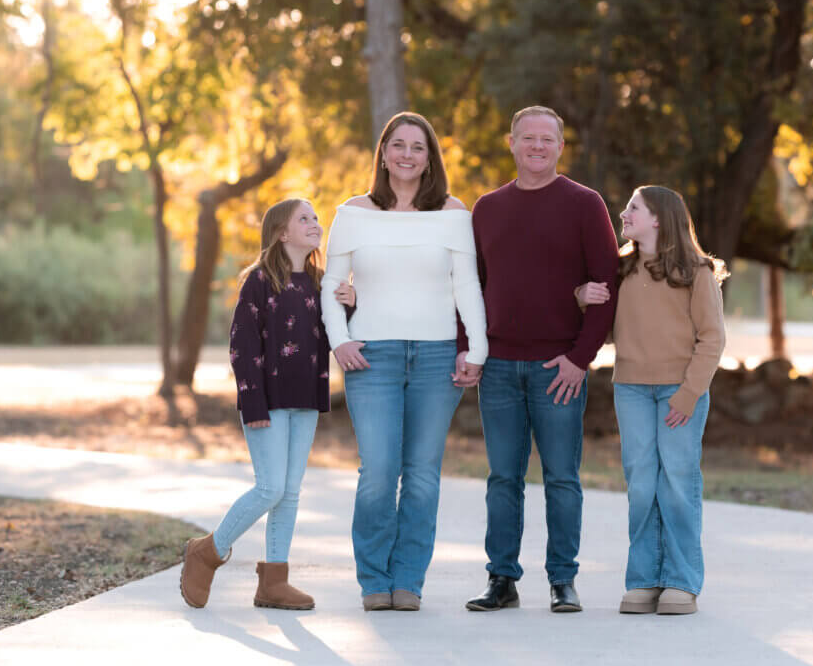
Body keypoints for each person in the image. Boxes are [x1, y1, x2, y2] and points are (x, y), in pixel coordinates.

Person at [320, 112, 488, 612]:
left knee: (421, 474)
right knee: (379, 470)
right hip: (373, 357)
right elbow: (331, 286)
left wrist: (476, 349)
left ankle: (408, 581)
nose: (408, 155)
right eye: (399, 145)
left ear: (430, 157)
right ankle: (374, 580)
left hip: (437, 358)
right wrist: (339, 340)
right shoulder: (352, 212)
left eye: (418, 147)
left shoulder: (455, 213)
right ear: (384, 153)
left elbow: (467, 287)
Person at [462, 105, 619, 614]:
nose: (536, 146)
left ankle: (562, 580)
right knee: (503, 478)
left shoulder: (584, 204)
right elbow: (469, 288)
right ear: (510, 143)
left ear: (559, 146)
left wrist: (580, 358)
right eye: (527, 138)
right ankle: (501, 579)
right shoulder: (485, 208)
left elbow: (606, 288)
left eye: (546, 139)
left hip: (560, 368)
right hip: (500, 367)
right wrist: (472, 348)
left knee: (561, 478)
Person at [179, 198, 355, 611]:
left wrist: (350, 304)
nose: (315, 224)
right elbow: (242, 345)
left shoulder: (320, 282)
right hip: (269, 402)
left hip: (306, 400)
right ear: (281, 233)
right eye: (304, 219)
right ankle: (208, 550)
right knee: (270, 487)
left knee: (290, 492)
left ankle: (274, 581)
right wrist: (252, 402)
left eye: (316, 218)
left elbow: (331, 338)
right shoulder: (258, 282)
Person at [577, 185, 726, 615]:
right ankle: (643, 579)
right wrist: (580, 298)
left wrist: (689, 393)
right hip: (632, 391)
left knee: (677, 483)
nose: (623, 214)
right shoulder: (619, 270)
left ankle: (681, 581)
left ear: (658, 218)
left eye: (633, 209)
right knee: (642, 484)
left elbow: (712, 338)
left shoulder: (696, 272)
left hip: (679, 392)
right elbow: (599, 326)